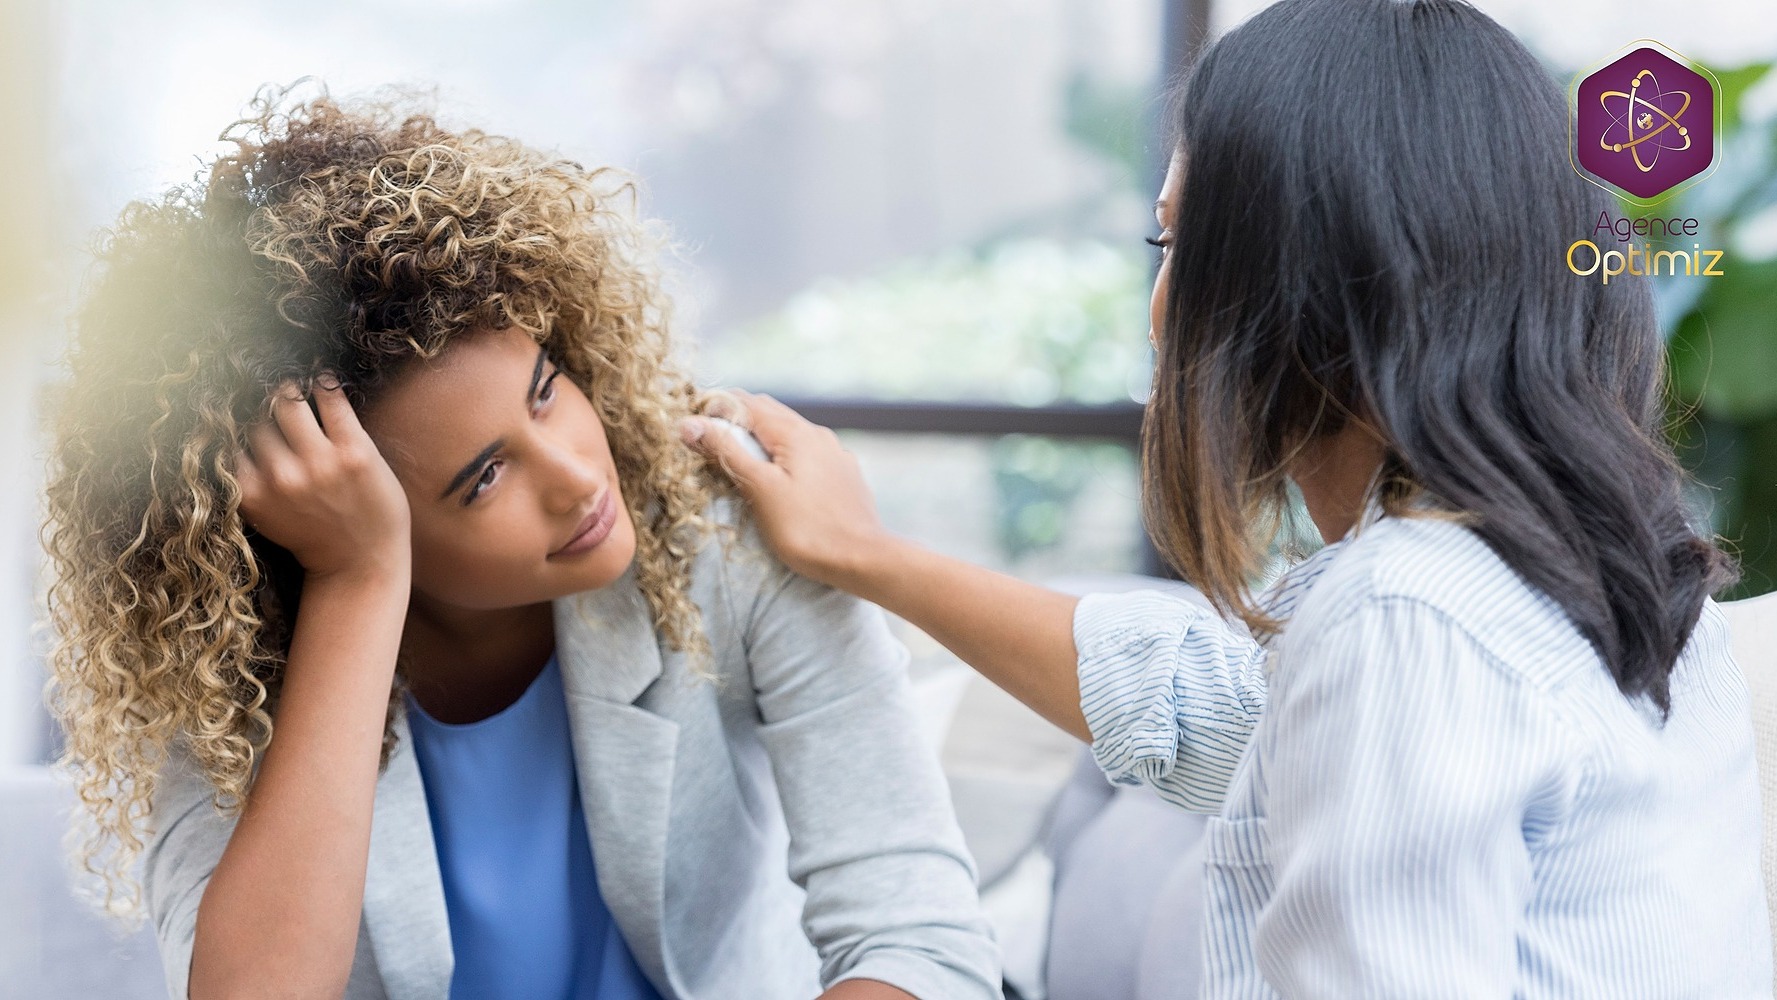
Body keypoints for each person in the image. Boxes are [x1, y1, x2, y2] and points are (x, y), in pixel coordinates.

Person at [681, 0, 1774, 995]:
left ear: (1311, 273)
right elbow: (1215, 708)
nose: (1161, 312)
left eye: (1178, 244)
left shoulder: (1407, 615)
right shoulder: (1610, 579)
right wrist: (865, 554)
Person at [43, 90, 999, 1000]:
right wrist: (357, 583)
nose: (580, 477)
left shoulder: (725, 536)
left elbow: (922, 945)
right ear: (324, 513)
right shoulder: (221, 669)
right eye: (484, 477)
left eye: (547, 388)